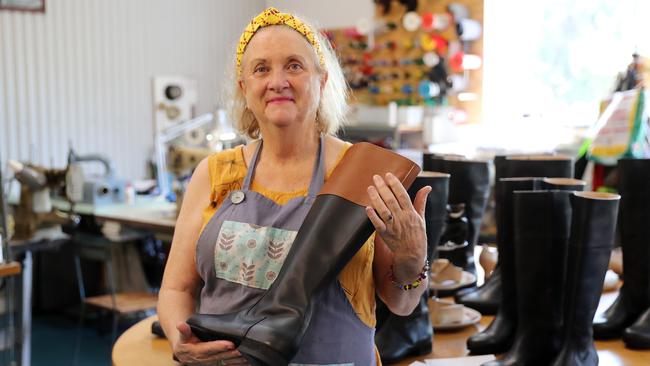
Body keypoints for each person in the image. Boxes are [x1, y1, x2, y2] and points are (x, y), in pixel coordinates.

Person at [157, 7, 430, 365]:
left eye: (294, 65)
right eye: (261, 69)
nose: (277, 81)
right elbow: (176, 288)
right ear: (245, 87)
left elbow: (401, 302)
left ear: (321, 80)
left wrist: (412, 261)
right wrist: (181, 341)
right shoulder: (213, 173)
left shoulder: (362, 171)